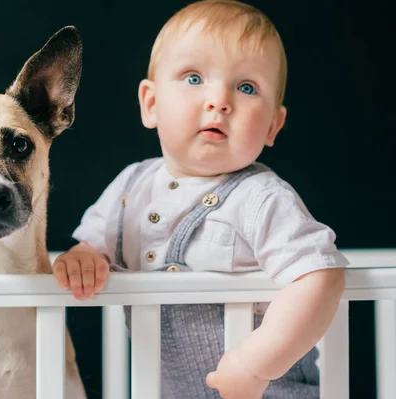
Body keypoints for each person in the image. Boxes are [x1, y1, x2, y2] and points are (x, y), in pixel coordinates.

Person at [53, 1, 348, 397]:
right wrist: (84, 260)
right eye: (194, 78)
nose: (219, 100)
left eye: (246, 87)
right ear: (151, 103)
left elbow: (320, 277)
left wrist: (254, 364)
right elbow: (90, 251)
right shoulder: (130, 185)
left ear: (273, 126)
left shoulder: (262, 198)